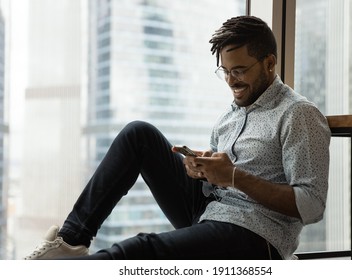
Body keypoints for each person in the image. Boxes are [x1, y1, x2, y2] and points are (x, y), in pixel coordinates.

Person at [25, 15, 330, 260]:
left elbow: (312, 205)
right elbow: (216, 182)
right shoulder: (230, 116)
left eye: (239, 70)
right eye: (224, 71)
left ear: (269, 63)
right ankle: (70, 243)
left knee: (141, 248)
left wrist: (235, 177)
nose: (230, 80)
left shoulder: (298, 114)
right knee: (138, 134)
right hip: (210, 211)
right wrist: (202, 170)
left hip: (257, 235)